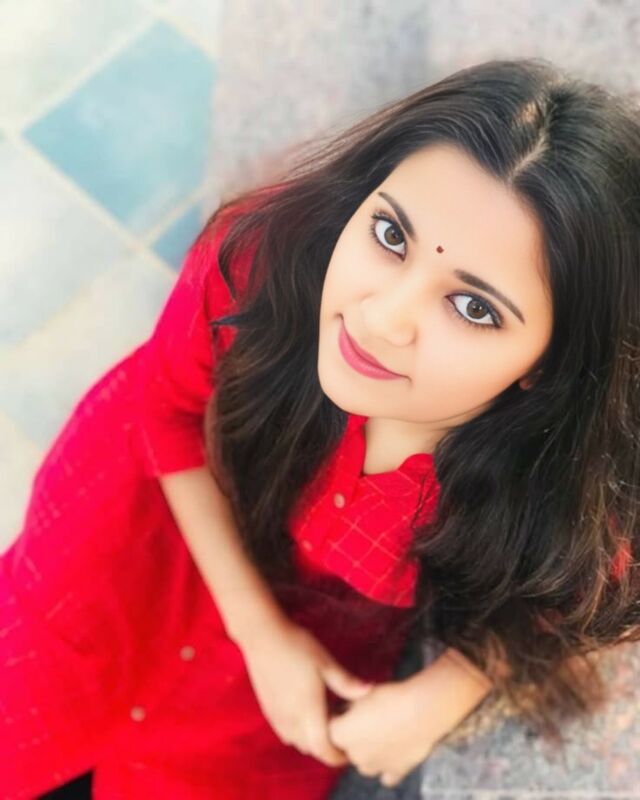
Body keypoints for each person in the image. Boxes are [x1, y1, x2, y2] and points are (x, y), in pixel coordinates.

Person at [1, 55, 638, 799]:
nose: (382, 318)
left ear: (552, 359)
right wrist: (260, 633)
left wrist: (446, 691)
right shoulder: (258, 264)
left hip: (294, 673)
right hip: (140, 531)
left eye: (473, 308)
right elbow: (165, 405)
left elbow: (580, 604)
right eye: (391, 235)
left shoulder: (561, 481)